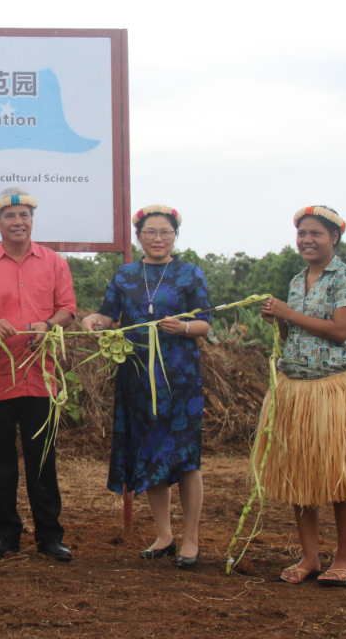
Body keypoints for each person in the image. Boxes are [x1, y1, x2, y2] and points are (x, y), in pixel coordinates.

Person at [258, 205, 346, 588]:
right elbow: (292, 338)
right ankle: (310, 556)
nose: (307, 240)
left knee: (339, 476)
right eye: (302, 233)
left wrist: (289, 313)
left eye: (316, 233)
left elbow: (341, 331)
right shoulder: (298, 280)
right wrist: (280, 319)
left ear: (334, 238)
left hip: (335, 390)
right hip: (297, 389)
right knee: (301, 475)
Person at [81, 205, 211, 569]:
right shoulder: (125, 275)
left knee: (185, 458)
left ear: (175, 237)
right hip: (137, 375)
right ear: (139, 237)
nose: (158, 238)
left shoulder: (189, 273)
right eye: (150, 232)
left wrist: (183, 328)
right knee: (151, 450)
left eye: (165, 232)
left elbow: (205, 323)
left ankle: (191, 538)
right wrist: (93, 319)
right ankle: (164, 534)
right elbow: (108, 315)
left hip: (180, 377)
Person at [0, 187, 76, 562]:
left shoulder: (54, 262)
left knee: (43, 460)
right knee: (1, 463)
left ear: (32, 221)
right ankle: (4, 535)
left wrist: (47, 324)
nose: (18, 222)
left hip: (41, 378)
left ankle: (49, 536)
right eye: (10, 216)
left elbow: (68, 309)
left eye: (24, 215)